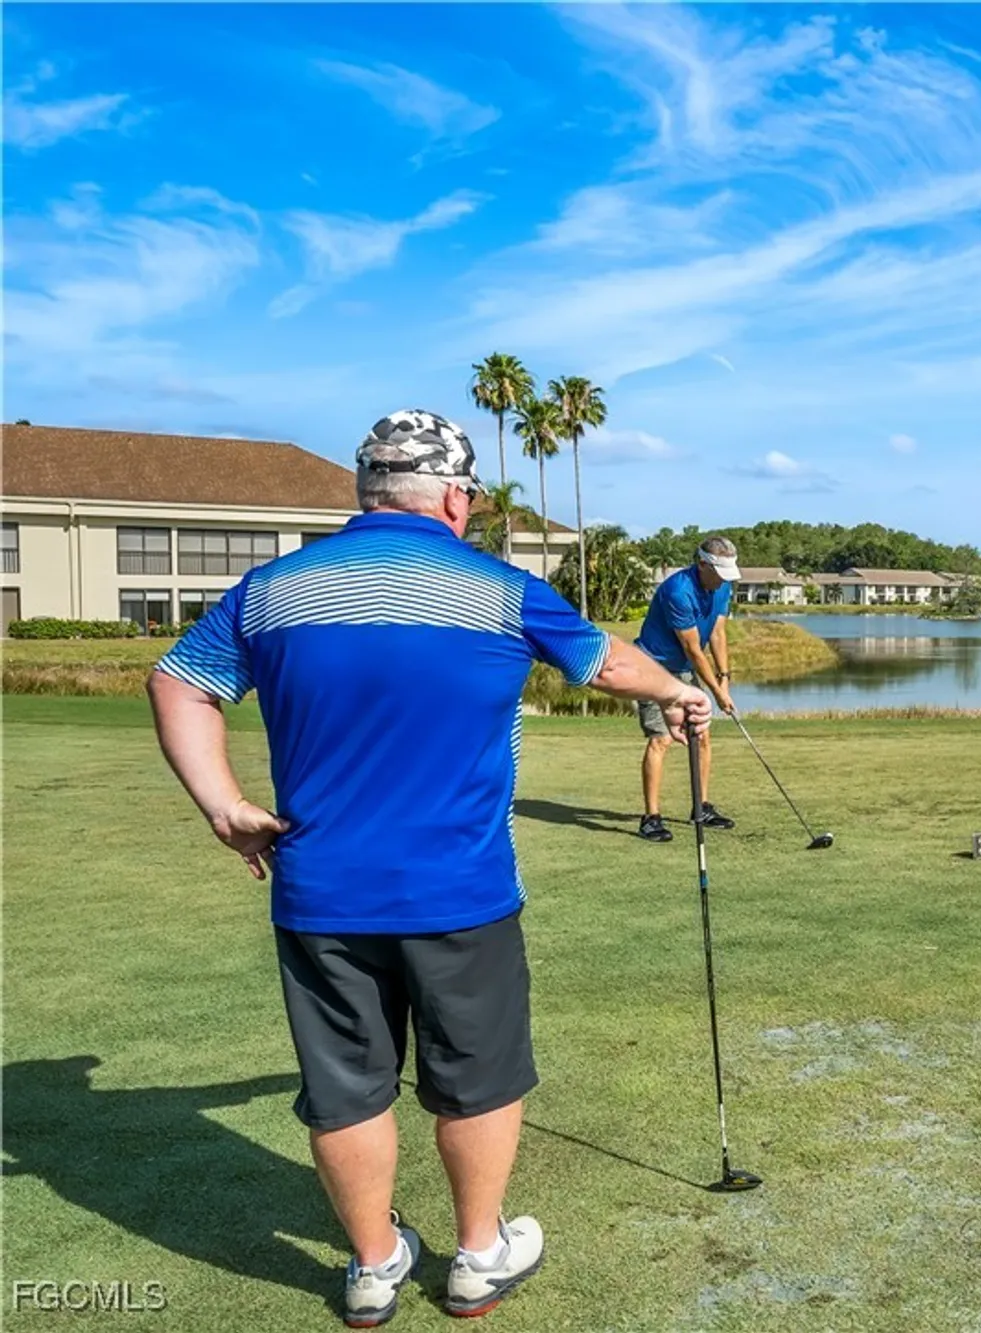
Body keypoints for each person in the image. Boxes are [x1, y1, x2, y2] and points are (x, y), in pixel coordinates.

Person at [146, 409, 711, 1327]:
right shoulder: (496, 588)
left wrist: (225, 806)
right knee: (477, 1076)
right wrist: (680, 687)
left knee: (346, 1088)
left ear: (367, 491)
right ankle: (479, 1255)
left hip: (319, 892)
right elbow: (605, 664)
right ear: (454, 495)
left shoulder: (272, 591)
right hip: (461, 892)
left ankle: (373, 1269)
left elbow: (178, 680)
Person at [633, 535, 740, 842]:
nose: (723, 581)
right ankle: (651, 818)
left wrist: (724, 677)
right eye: (718, 573)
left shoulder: (723, 586)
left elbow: (718, 633)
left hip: (686, 670)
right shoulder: (678, 591)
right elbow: (693, 649)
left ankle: (701, 808)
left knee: (702, 735)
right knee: (661, 739)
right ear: (702, 564)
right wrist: (718, 695)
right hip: (654, 667)